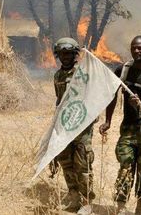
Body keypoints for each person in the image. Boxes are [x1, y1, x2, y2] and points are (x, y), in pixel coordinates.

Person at [99, 35, 141, 214]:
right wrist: (108, 120)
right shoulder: (123, 69)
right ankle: (120, 207)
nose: (137, 51)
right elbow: (112, 95)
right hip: (128, 129)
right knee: (125, 166)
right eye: (134, 48)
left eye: (140, 48)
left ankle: (140, 207)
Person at [52, 37, 96, 211]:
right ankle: (74, 196)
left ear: (75, 54)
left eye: (69, 53)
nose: (66, 57)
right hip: (64, 127)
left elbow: (92, 98)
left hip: (82, 128)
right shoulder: (58, 75)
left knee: (83, 165)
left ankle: (86, 203)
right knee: (66, 162)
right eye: (62, 54)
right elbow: (59, 101)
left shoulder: (82, 73)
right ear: (58, 55)